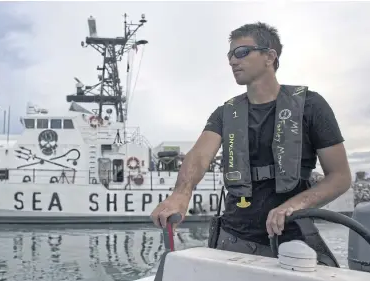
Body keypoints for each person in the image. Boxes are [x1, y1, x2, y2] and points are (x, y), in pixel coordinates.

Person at [150, 22, 352, 259]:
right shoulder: (225, 113)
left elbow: (340, 177)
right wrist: (181, 194)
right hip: (233, 239)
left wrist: (292, 206)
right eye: (230, 54)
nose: (232, 61)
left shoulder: (311, 105)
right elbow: (200, 155)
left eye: (241, 52)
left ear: (269, 56)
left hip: (293, 240)